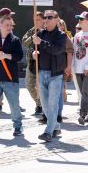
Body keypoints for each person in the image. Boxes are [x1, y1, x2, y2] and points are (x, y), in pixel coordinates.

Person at [32, 10, 66, 141]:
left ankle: (48, 132)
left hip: (55, 75)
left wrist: (41, 43)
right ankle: (55, 126)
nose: (45, 20)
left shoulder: (61, 35)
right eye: (45, 18)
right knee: (45, 106)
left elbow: (56, 50)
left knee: (52, 104)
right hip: (41, 72)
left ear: (57, 19)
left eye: (49, 17)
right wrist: (34, 54)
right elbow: (35, 50)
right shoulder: (40, 34)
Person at [22, 11, 45, 115]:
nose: (36, 21)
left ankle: (42, 105)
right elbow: (24, 43)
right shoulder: (31, 31)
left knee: (41, 86)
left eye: (38, 19)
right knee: (29, 85)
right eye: (34, 19)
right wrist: (32, 37)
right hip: (31, 62)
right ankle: (39, 102)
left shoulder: (47, 31)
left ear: (43, 20)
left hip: (43, 63)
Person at [57, 19, 73, 123]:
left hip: (61, 67)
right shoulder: (46, 33)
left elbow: (70, 51)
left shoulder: (65, 36)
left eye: (62, 24)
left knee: (59, 91)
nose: (61, 26)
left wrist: (68, 67)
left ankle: (58, 114)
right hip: (50, 68)